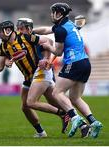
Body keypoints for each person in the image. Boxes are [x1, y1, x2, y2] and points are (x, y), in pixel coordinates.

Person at [0, 20, 86, 138]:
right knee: (27, 107)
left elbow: (48, 41)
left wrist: (46, 58)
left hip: (40, 72)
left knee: (33, 102)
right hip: (28, 77)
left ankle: (65, 115)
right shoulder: (4, 46)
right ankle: (44, 131)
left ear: (7, 31)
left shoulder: (25, 37)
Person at [34, 3, 102, 138]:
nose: (51, 14)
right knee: (75, 98)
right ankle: (93, 122)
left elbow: (58, 52)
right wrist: (31, 31)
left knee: (56, 92)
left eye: (53, 12)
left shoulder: (60, 30)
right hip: (85, 63)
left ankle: (74, 117)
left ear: (58, 14)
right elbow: (47, 30)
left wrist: (48, 45)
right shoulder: (68, 24)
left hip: (74, 63)